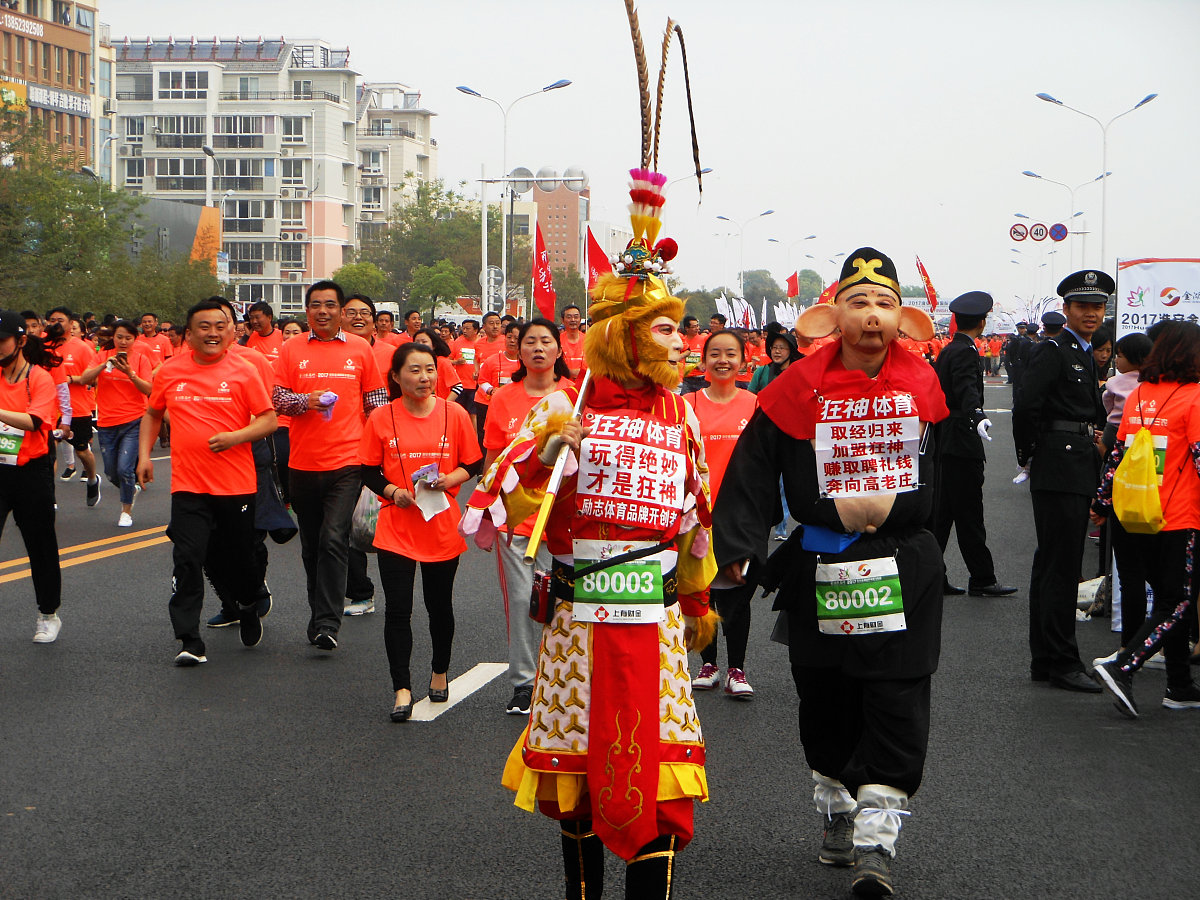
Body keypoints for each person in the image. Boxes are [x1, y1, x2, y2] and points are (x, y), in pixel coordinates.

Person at [462, 184, 717, 898]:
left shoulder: (681, 418)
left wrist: (698, 602)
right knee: (575, 780)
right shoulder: (560, 408)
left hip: (655, 619)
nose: (680, 343)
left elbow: (696, 523)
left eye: (679, 330)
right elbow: (507, 505)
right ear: (624, 336)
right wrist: (547, 455)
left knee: (660, 780)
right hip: (580, 621)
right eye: (664, 330)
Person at [712, 248, 949, 898]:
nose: (872, 316)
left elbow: (944, 480)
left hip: (902, 566)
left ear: (903, 319)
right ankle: (837, 806)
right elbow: (751, 475)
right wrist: (739, 546)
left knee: (898, 697)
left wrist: (928, 543)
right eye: (859, 303)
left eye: (884, 304)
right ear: (832, 317)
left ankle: (877, 840)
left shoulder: (922, 388)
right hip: (821, 564)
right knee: (825, 699)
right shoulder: (794, 390)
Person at [136, 299, 277, 665]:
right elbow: (153, 412)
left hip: (236, 485)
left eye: (219, 326)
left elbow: (268, 420)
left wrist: (235, 437)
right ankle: (190, 640)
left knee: (240, 559)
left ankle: (248, 602)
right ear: (188, 334)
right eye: (204, 327)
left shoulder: (244, 371)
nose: (212, 333)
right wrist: (144, 456)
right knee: (187, 558)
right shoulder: (170, 371)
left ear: (230, 332)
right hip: (188, 485)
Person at [358, 342, 482, 720]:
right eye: (414, 370)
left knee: (439, 606)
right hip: (396, 526)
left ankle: (439, 672)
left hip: (440, 526)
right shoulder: (382, 417)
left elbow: (473, 463)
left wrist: (450, 480)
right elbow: (367, 470)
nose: (424, 377)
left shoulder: (453, 413)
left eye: (429, 369)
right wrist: (392, 492)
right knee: (398, 610)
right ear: (396, 377)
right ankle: (402, 689)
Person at [1090, 320, 1200, 715]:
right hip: (1178, 517)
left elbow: (1117, 455)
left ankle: (1179, 685)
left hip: (1134, 512)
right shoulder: (1195, 397)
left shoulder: (1139, 393)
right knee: (1178, 602)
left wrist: (1102, 503)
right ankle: (1123, 666)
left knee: (1168, 599)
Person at [273, 281, 387, 651]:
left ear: (340, 311)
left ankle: (327, 623)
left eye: (330, 305)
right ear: (307, 311)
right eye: (316, 305)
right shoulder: (291, 348)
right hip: (303, 464)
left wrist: (384, 451)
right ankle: (318, 615)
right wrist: (304, 401)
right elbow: (276, 398)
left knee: (333, 538)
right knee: (311, 546)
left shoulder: (360, 348)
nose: (323, 311)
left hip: (348, 461)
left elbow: (376, 402)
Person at [1013, 271, 1111, 694]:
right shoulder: (1054, 349)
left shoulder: (1084, 351)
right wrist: (1031, 455)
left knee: (1053, 563)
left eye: (1098, 307)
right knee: (1062, 566)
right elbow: (1026, 406)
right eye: (1082, 306)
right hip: (1059, 462)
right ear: (1066, 309)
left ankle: (1046, 658)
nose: (1091, 313)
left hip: (1074, 461)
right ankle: (1063, 661)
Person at [480, 317, 574, 715]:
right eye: (529, 342)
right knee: (521, 601)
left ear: (558, 349)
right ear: (518, 351)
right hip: (517, 517)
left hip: (564, 518)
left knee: (565, 603)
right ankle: (523, 682)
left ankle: (564, 679)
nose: (537, 348)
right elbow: (492, 460)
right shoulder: (504, 398)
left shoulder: (575, 395)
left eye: (545, 341)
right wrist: (487, 509)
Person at [687, 329, 760, 698]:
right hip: (697, 514)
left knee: (736, 593)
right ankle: (708, 664)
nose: (722, 360)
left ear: (744, 361)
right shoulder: (687, 404)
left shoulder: (755, 404)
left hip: (740, 517)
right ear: (703, 361)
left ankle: (737, 669)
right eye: (714, 353)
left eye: (731, 353)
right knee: (702, 593)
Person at [931, 292, 1017, 598]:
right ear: (982, 322)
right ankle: (981, 577)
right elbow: (966, 387)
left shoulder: (948, 349)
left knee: (942, 515)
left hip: (945, 436)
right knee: (969, 513)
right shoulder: (966, 352)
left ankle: (932, 575)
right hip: (962, 438)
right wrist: (976, 414)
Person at [0, 310, 65, 643]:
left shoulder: (39, 378)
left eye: (1, 341)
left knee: (40, 546)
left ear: (21, 341)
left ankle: (48, 614)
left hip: (31, 471)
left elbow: (35, 420)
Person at [74, 320, 153, 527]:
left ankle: (126, 511)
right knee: (111, 472)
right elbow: (84, 379)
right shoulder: (102, 356)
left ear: (135, 339)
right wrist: (103, 365)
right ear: (113, 338)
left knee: (125, 468)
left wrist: (130, 373)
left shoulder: (141, 359)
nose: (123, 342)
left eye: (128, 338)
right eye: (119, 337)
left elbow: (148, 389)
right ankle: (130, 488)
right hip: (107, 422)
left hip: (134, 420)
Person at [413, 328, 464, 400]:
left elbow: (458, 386)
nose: (420, 345)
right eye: (417, 342)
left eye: (424, 342)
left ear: (433, 345)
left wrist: (445, 404)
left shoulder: (442, 362)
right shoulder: (412, 363)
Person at [449, 318, 480, 427]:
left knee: (473, 414)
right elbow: (447, 360)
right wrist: (456, 362)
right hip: (460, 384)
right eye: (463, 328)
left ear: (475, 330)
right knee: (458, 412)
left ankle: (474, 435)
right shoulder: (457, 342)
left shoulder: (480, 343)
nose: (464, 331)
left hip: (474, 385)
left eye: (468, 328)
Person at [679, 315, 707, 394]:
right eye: (694, 327)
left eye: (697, 326)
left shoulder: (704, 340)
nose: (697, 328)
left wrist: (703, 363)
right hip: (686, 379)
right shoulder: (682, 341)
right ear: (686, 328)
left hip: (701, 378)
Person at [559, 304, 586, 380]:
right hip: (563, 383)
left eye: (576, 317)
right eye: (569, 317)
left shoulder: (589, 341)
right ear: (562, 320)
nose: (573, 320)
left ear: (580, 320)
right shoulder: (557, 341)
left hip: (584, 384)